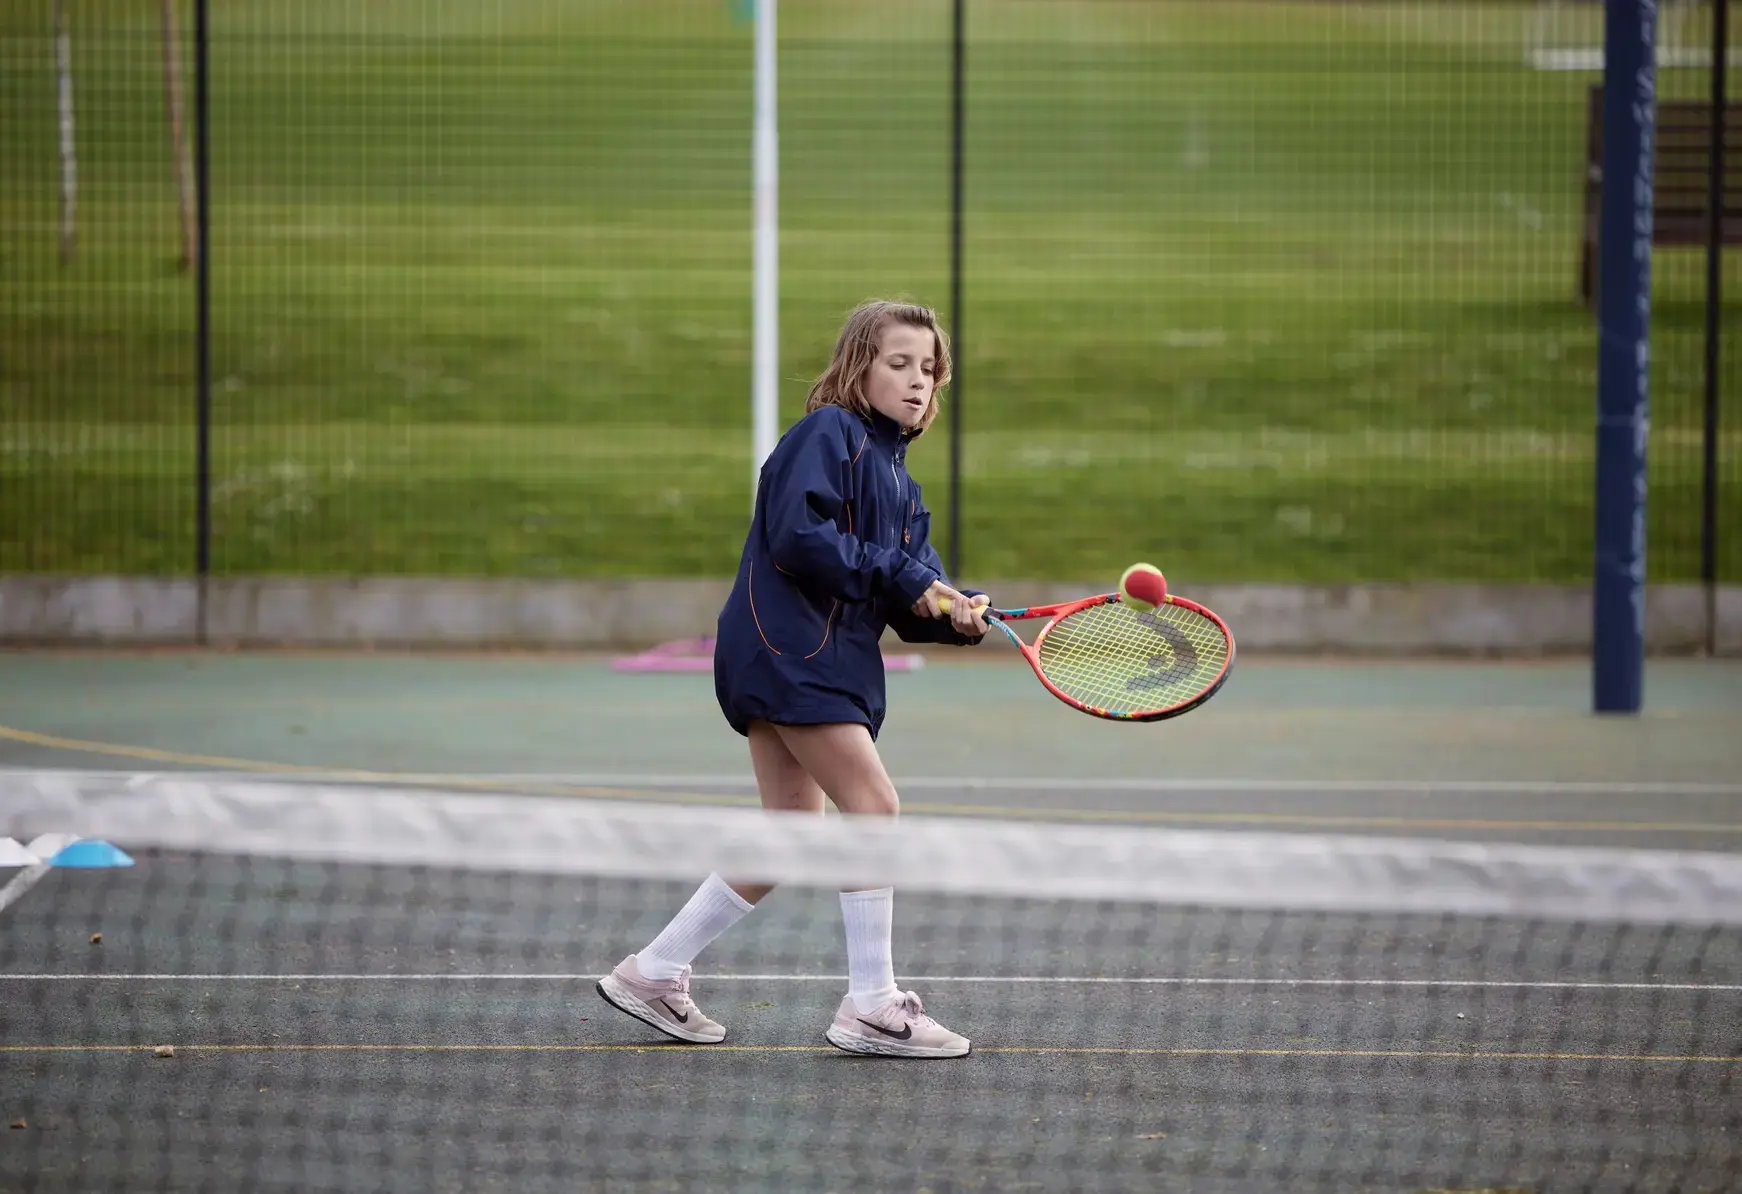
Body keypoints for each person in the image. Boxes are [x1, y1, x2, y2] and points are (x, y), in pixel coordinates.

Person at [596, 299, 990, 1058]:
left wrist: (952, 612)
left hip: (803, 656)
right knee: (873, 804)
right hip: (790, 650)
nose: (917, 382)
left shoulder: (903, 492)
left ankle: (653, 972)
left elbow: (903, 596)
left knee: (788, 834)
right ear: (858, 366)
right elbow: (801, 538)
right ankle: (872, 1003)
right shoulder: (828, 435)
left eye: (930, 370)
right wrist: (911, 577)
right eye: (899, 363)